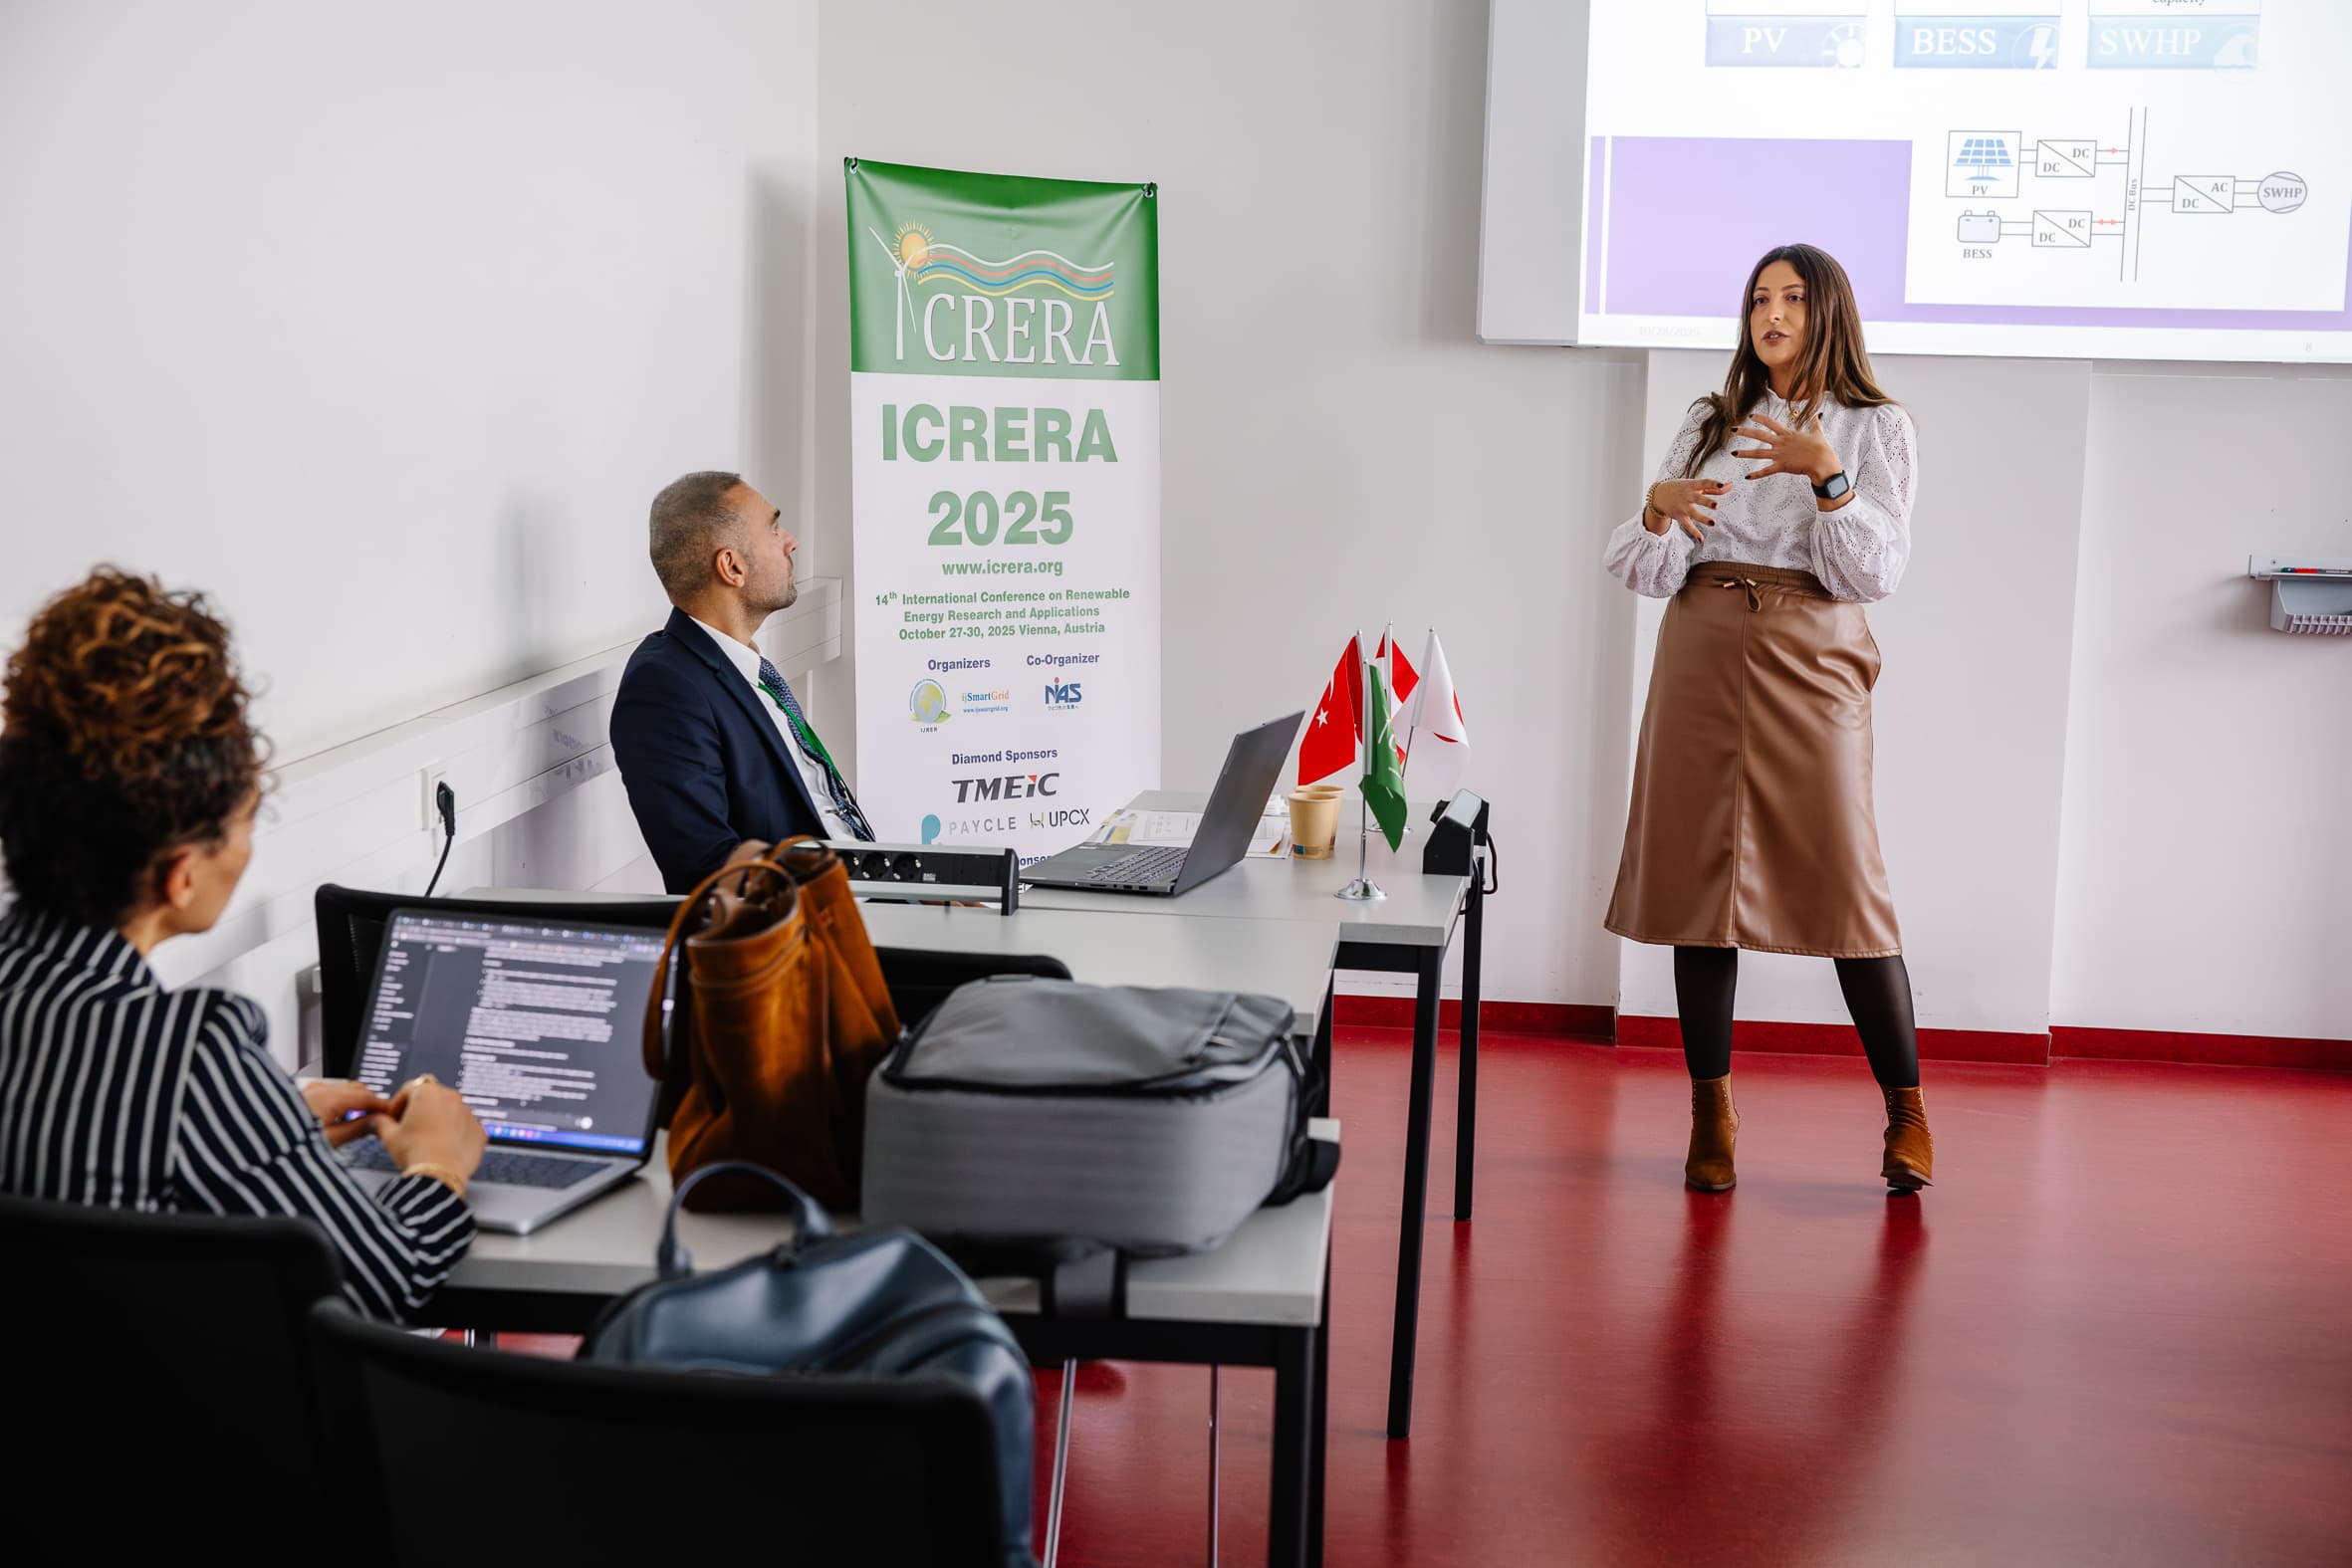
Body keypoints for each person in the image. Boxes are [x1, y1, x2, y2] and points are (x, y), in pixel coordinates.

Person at [0, 568, 486, 1320]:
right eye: (248, 818)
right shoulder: (192, 1060)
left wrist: (271, 1112)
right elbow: (389, 1276)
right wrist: (437, 1164)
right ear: (182, 875)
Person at [1600, 243, 1932, 1195]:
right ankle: (1712, 1112)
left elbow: (1874, 574)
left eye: (1791, 297)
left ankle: (1907, 1113)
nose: (1771, 313)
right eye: (1757, 299)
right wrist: (1658, 511)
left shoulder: (1876, 427)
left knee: (1848, 886)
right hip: (1702, 648)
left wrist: (1829, 476)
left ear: (1829, 311)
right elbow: (1639, 565)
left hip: (1810, 652)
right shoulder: (1711, 421)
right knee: (1700, 891)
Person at [611, 470, 875, 893]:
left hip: (873, 899)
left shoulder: (745, 669)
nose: (791, 541)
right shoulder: (664, 689)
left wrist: (920, 896)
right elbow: (705, 869)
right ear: (731, 567)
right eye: (773, 529)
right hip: (817, 930)